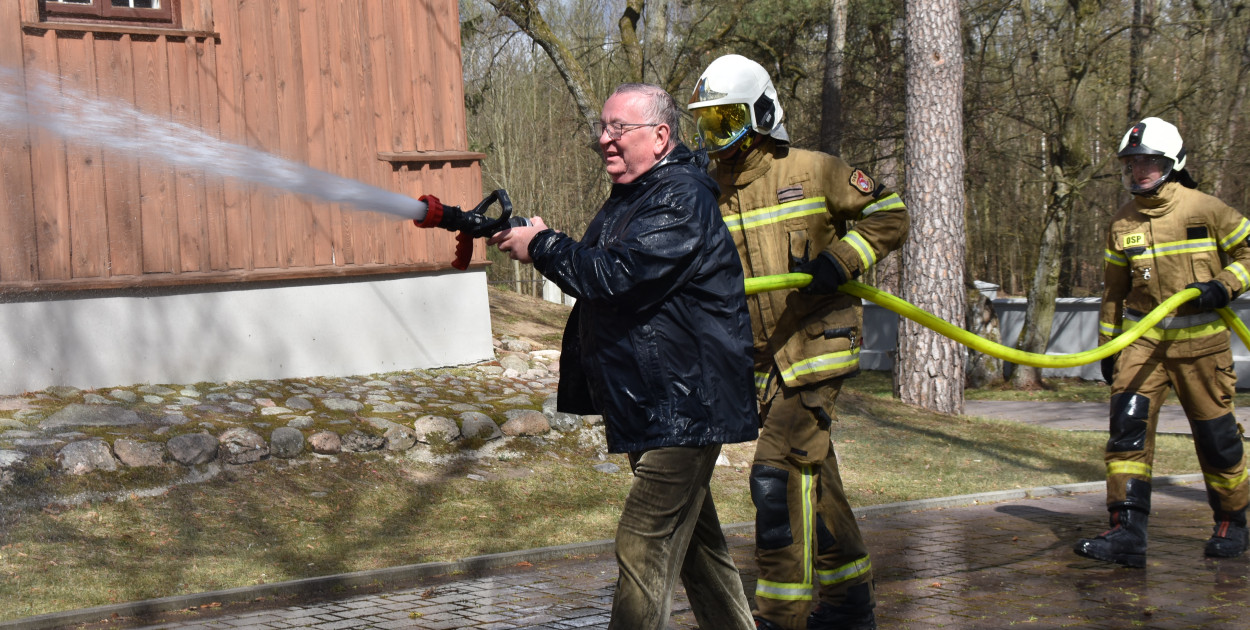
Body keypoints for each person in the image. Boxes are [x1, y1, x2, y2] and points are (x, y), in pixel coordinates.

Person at [488, 83, 759, 630]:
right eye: (603, 128)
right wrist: (541, 238)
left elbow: (612, 277)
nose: (605, 140)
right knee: (698, 553)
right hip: (654, 406)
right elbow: (600, 266)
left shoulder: (679, 198)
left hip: (685, 407)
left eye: (620, 129)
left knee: (641, 547)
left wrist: (540, 245)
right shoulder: (636, 196)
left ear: (660, 137)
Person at [688, 55, 909, 630]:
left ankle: (781, 617)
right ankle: (848, 603)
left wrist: (842, 259)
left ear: (761, 113)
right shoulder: (707, 191)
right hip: (762, 362)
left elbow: (889, 213)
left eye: (727, 120)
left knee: (775, 479)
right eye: (708, 123)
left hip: (817, 348)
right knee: (815, 480)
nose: (718, 137)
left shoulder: (815, 170)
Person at [1074, 116, 1249, 567]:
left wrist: (1224, 285)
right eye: (1132, 162)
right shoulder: (1121, 222)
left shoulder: (1205, 209)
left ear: (1171, 162)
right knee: (1126, 435)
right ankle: (1127, 531)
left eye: (1149, 160)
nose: (1139, 169)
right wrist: (1110, 347)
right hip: (1142, 345)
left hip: (1203, 348)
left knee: (1217, 440)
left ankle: (1233, 522)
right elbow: (1114, 292)